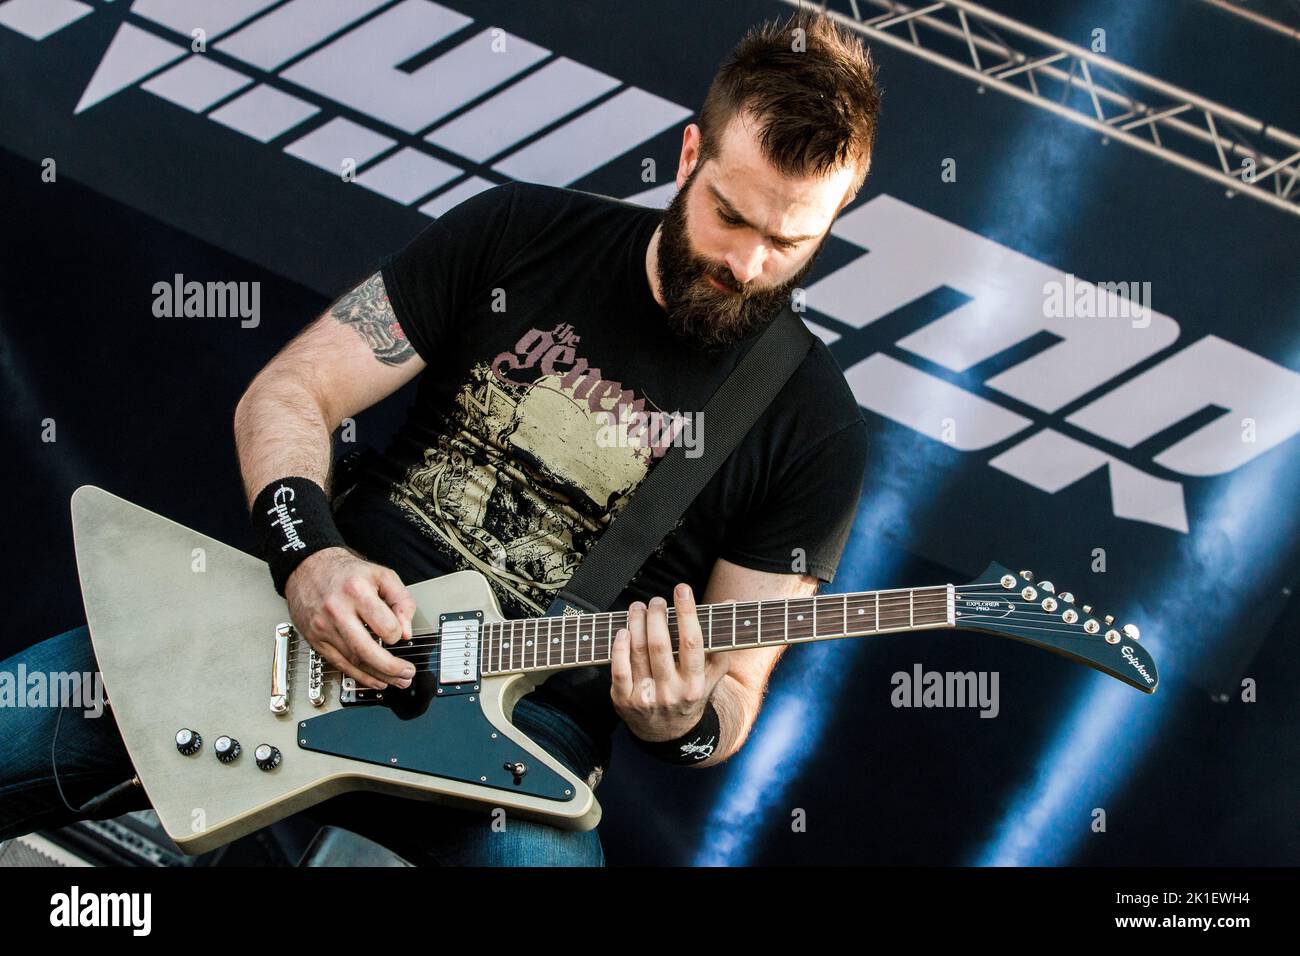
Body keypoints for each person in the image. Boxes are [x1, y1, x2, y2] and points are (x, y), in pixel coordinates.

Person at [0, 8, 879, 865]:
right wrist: (310, 560)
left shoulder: (814, 426)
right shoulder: (521, 233)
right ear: (690, 156)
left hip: (517, 741)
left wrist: (682, 723)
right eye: (730, 214)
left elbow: (730, 694)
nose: (747, 264)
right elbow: (288, 393)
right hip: (298, 632)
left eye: (789, 241)